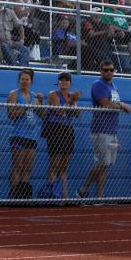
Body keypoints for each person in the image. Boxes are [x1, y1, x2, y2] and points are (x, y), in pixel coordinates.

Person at [79, 60, 131, 200]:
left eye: (111, 70)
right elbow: (105, 104)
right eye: (106, 70)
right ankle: (83, 190)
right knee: (102, 162)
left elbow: (113, 104)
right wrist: (122, 105)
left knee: (106, 165)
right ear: (101, 71)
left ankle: (99, 197)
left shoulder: (113, 86)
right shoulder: (98, 85)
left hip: (112, 129)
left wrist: (120, 105)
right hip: (101, 129)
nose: (109, 72)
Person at [6, 68, 43, 201]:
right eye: (22, 79)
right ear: (19, 81)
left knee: (27, 167)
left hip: (32, 136)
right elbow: (11, 114)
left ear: (31, 81)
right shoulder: (14, 95)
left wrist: (41, 103)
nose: (24, 82)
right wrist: (27, 106)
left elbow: (42, 115)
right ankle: (13, 195)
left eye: (27, 79)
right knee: (18, 165)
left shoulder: (34, 95)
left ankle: (24, 195)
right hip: (18, 134)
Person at [41, 73, 80, 201]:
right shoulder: (53, 95)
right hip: (56, 129)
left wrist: (73, 101)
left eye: (67, 80)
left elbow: (76, 113)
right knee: (54, 164)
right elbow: (59, 112)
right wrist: (71, 101)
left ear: (70, 83)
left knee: (64, 166)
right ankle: (51, 195)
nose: (64, 82)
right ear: (58, 82)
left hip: (67, 130)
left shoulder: (71, 96)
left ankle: (64, 196)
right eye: (61, 80)